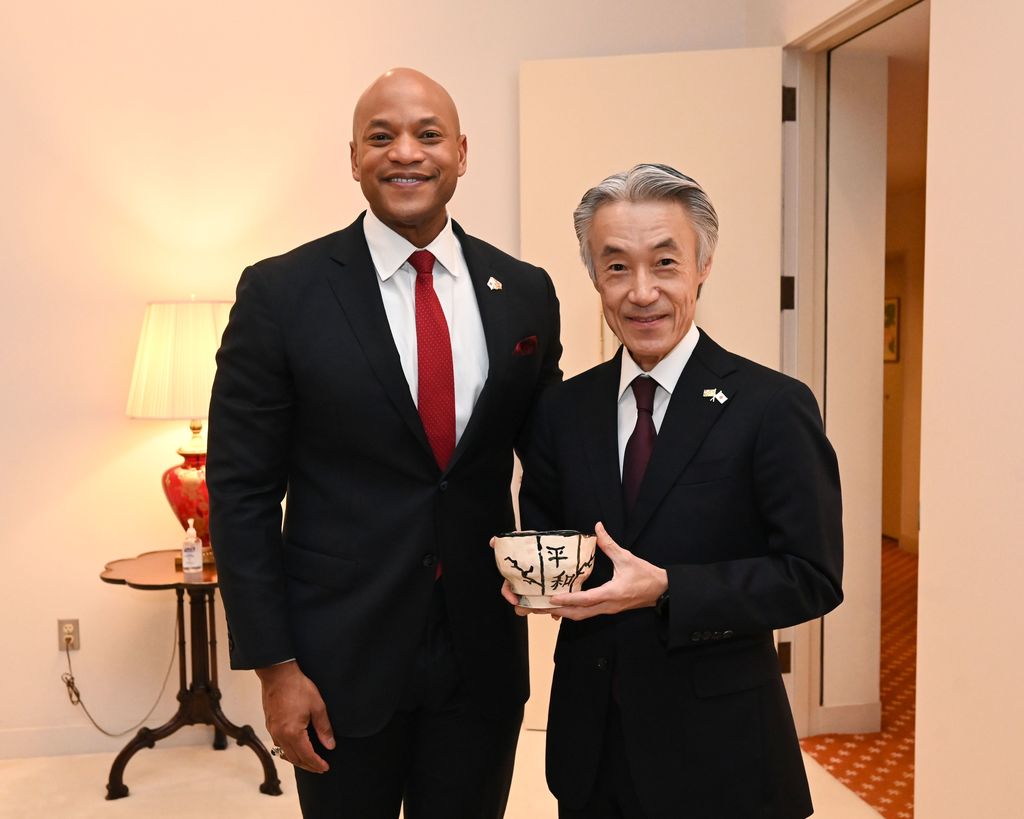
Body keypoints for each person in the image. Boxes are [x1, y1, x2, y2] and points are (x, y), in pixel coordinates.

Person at [208, 67, 562, 819]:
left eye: (428, 134)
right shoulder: (281, 294)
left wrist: (560, 564)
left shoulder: (525, 291)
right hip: (337, 662)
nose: (406, 152)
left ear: (462, 152)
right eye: (382, 136)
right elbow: (239, 490)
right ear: (354, 156)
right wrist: (275, 666)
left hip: (481, 656)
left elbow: (554, 453)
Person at [509, 163, 843, 818]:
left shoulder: (771, 406)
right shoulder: (561, 411)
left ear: (702, 265)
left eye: (664, 262)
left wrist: (670, 587)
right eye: (616, 267)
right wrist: (533, 575)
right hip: (592, 750)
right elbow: (556, 545)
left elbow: (812, 575)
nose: (641, 292)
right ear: (594, 276)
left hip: (723, 756)